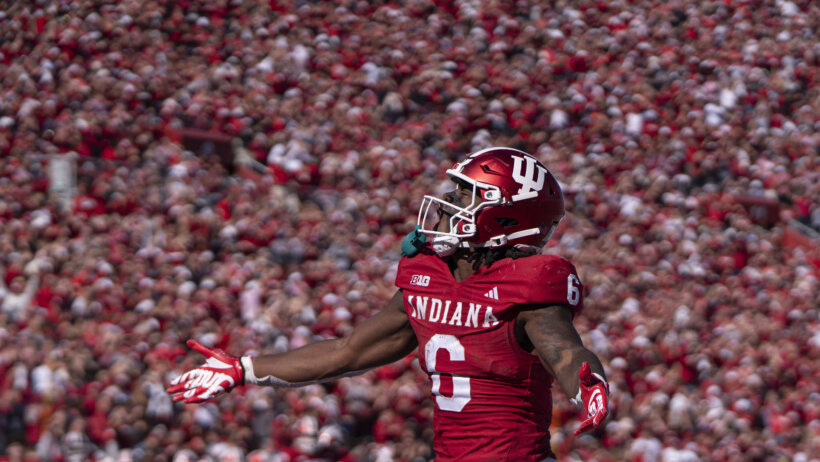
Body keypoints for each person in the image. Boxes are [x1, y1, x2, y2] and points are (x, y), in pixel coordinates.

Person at [167, 147, 610, 461]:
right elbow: (349, 352)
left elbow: (565, 350)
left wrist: (588, 384)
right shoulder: (428, 276)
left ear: (506, 216)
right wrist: (242, 368)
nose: (449, 203)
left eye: (465, 196)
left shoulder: (529, 284)